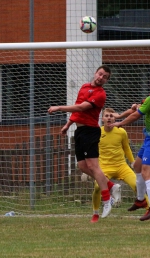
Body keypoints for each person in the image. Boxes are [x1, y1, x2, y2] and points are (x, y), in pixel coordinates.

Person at [48, 65, 121, 219]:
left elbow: (82, 108)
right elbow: (77, 109)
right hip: (80, 131)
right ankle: (112, 186)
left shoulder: (100, 94)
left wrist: (59, 107)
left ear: (106, 80)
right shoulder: (84, 87)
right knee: (82, 166)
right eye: (100, 74)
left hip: (90, 131)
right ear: (96, 73)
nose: (101, 77)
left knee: (94, 167)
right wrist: (67, 125)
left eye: (105, 77)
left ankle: (107, 200)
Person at [109, 69, 150, 222]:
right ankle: (140, 200)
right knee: (137, 165)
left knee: (146, 172)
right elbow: (149, 105)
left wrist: (120, 123)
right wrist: (141, 105)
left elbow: (136, 115)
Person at [90, 107, 150, 224]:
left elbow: (126, 148)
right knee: (97, 187)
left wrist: (133, 161)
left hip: (121, 166)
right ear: (102, 119)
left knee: (137, 185)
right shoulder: (97, 132)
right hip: (104, 167)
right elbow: (92, 151)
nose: (109, 118)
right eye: (106, 116)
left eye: (111, 116)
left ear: (115, 118)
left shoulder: (121, 132)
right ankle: (95, 214)